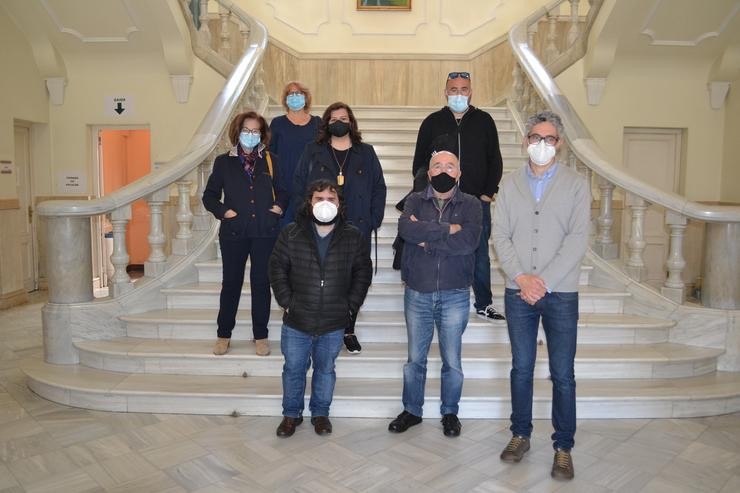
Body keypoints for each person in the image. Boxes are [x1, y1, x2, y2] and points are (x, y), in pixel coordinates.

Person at [492, 110, 590, 480]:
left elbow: (578, 239)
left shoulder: (576, 184)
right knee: (521, 368)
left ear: (559, 144)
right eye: (536, 137)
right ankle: (520, 434)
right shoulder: (510, 182)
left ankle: (563, 446)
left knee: (562, 373)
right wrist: (521, 277)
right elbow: (500, 235)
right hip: (518, 292)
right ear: (525, 141)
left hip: (560, 293)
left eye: (549, 139)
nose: (542, 144)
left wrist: (542, 281)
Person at [388, 140, 481, 438]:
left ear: (459, 173)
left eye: (449, 166)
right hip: (418, 291)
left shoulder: (472, 205)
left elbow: (469, 243)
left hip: (455, 292)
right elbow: (407, 231)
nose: (443, 170)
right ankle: (412, 410)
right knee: (415, 358)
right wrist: (447, 230)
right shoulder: (414, 201)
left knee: (452, 361)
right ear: (428, 173)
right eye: (437, 166)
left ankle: (450, 412)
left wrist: (427, 237)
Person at [269, 179, 372, 437]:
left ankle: (320, 414)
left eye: (331, 199)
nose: (325, 204)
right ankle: (291, 415)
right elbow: (277, 269)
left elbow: (363, 272)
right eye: (319, 198)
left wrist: (350, 305)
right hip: (297, 319)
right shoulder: (291, 233)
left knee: (325, 369)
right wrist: (287, 301)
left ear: (340, 204)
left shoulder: (353, 236)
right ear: (309, 202)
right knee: (293, 369)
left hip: (333, 320)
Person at [293, 101, 387, 354]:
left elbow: (379, 186)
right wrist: (303, 218)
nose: (339, 122)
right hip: (320, 227)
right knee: (322, 278)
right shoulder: (313, 150)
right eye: (334, 118)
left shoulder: (365, 152)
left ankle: (348, 329)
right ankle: (320, 327)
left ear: (351, 122)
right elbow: (299, 185)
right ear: (326, 123)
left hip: (357, 227)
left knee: (354, 280)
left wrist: (374, 218)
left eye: (344, 118)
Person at [411, 71, 505, 321]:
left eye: (464, 89)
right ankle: (434, 298)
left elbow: (495, 159)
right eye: (454, 89)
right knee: (438, 246)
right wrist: (426, 193)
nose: (459, 94)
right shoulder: (432, 122)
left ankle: (484, 303)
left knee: (479, 252)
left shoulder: (484, 120)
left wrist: (488, 193)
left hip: (475, 202)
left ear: (471, 92)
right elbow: (420, 163)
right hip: (441, 202)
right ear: (445, 92)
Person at [202, 110, 287, 357]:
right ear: (238, 132)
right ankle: (223, 334)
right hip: (234, 233)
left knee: (261, 284)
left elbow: (284, 190)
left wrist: (278, 208)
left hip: (265, 231)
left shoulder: (272, 160)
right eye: (246, 130)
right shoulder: (223, 162)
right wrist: (224, 211)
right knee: (231, 284)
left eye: (255, 131)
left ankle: (260, 336)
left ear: (262, 134)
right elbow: (209, 196)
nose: (250, 135)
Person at [269, 81, 321, 227]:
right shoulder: (277, 123)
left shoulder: (318, 123)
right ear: (285, 99)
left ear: (306, 97)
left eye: (298, 93)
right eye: (290, 94)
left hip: (311, 189)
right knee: (286, 238)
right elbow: (269, 156)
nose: (294, 96)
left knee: (310, 239)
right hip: (284, 190)